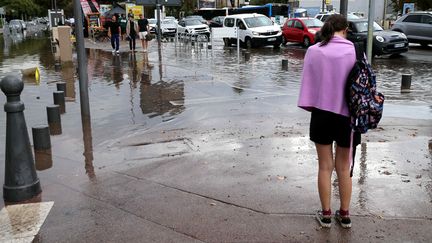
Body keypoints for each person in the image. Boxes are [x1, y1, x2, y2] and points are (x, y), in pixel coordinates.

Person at [298, 14, 360, 229]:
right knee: (344, 167)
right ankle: (344, 215)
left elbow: (308, 84)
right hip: (348, 116)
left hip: (322, 114)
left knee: (325, 166)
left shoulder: (313, 51)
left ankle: (325, 215)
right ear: (345, 30)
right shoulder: (355, 50)